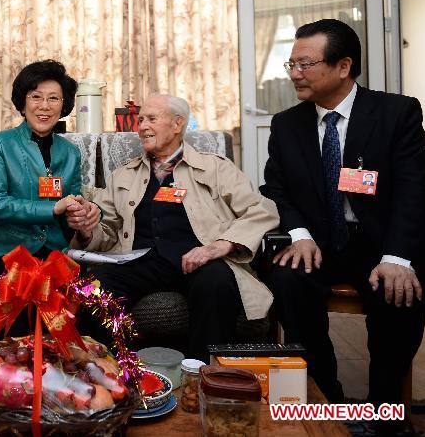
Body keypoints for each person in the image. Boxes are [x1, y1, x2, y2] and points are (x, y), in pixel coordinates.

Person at [261, 19, 425, 428]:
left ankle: (383, 410)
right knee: (286, 281)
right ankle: (327, 399)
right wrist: (298, 234)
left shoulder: (395, 112)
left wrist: (397, 256)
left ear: (343, 66)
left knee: (398, 292)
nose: (295, 74)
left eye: (305, 63)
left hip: (380, 244)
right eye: (292, 64)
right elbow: (276, 188)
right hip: (317, 243)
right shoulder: (287, 124)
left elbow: (415, 189)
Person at [73, 94, 279, 362]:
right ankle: (112, 375)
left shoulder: (215, 168)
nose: (142, 125)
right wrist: (88, 230)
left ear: (178, 124)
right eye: (141, 119)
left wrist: (220, 246)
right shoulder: (124, 175)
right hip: (141, 259)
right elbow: (107, 229)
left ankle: (201, 374)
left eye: (152, 118)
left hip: (200, 258)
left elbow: (261, 210)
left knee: (216, 284)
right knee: (95, 290)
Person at [0, 60, 98, 280]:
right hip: (7, 252)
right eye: (36, 97)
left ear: (63, 106)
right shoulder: (0, 144)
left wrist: (81, 213)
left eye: (53, 98)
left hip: (56, 250)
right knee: (35, 295)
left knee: (87, 297)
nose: (45, 106)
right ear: (23, 104)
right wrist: (53, 209)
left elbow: (73, 201)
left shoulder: (71, 152)